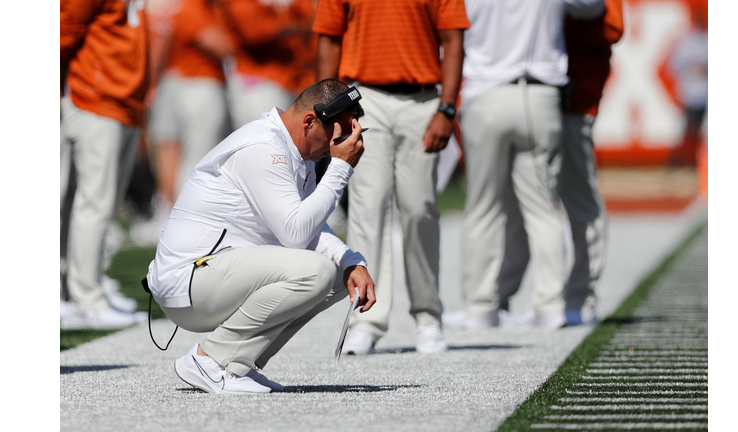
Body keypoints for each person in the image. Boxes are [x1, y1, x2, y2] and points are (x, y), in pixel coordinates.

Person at [145, 79, 375, 394]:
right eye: (336, 135)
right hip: (188, 281)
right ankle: (210, 359)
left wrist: (351, 260)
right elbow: (295, 234)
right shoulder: (264, 148)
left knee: (338, 272)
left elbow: (309, 227)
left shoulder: (293, 148)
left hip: (211, 274)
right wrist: (340, 169)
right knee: (317, 270)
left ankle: (237, 363)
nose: (336, 146)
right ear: (309, 121)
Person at [313, 0, 470, 354]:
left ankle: (428, 317)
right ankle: (367, 319)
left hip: (423, 98)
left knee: (420, 210)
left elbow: (453, 40)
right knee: (369, 208)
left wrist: (447, 108)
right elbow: (329, 40)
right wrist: (326, 110)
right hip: (363, 96)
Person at [442, 0, 605, 330]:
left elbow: (445, 28)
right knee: (543, 210)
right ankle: (550, 306)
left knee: (482, 209)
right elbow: (592, 6)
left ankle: (480, 308)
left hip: (484, 94)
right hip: (540, 96)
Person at [60, 0, 151, 329]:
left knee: (101, 203)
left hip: (122, 98)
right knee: (91, 203)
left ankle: (87, 285)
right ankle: (85, 297)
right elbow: (65, 29)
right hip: (96, 95)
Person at [130, 0, 236, 247]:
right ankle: (188, 222)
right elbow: (220, 44)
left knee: (171, 153)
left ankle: (171, 216)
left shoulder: (171, 7)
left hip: (171, 82)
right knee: (198, 158)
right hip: (197, 85)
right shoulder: (191, 6)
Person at [559, 0, 624, 326]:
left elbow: (613, 25)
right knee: (512, 204)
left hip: (574, 99)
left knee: (580, 199)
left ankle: (581, 296)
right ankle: (498, 300)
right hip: (528, 95)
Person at [219, 0, 317, 129]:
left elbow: (312, 17)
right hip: (256, 83)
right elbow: (253, 32)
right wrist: (300, 27)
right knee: (260, 140)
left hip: (291, 81)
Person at [668, 10, 707, 168]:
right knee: (687, 129)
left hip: (704, 93)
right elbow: (675, 65)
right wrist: (694, 68)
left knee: (698, 130)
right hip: (690, 93)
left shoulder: (707, 41)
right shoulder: (686, 42)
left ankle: (693, 162)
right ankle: (677, 161)